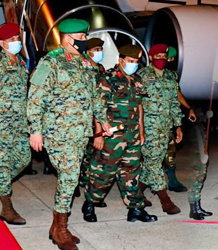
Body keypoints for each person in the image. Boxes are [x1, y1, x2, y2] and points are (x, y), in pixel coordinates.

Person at [28, 18, 113, 250]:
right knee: (69, 177)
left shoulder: (86, 63)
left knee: (71, 177)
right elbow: (35, 97)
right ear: (68, 38)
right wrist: (35, 130)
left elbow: (96, 96)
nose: (86, 41)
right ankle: (61, 229)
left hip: (80, 132)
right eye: (83, 37)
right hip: (58, 131)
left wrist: (103, 121)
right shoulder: (51, 62)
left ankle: (56, 226)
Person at [82, 44, 157, 223]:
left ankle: (135, 210)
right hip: (111, 136)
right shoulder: (108, 79)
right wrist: (98, 134)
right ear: (121, 61)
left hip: (132, 135)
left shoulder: (137, 80)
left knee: (131, 173)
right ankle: (91, 203)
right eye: (131, 61)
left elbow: (139, 106)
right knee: (104, 173)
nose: (134, 65)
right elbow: (97, 107)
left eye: (137, 62)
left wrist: (141, 131)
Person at [0, 23, 31, 225]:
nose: (17, 43)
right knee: (2, 164)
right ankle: (7, 207)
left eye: (17, 39)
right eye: (12, 41)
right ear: (2, 43)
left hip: (19, 124)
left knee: (24, 158)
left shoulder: (20, 62)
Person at [137, 44, 182, 215]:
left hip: (165, 128)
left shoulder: (171, 76)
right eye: (158, 56)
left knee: (152, 162)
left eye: (164, 56)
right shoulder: (142, 75)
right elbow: (137, 104)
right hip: (148, 128)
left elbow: (174, 104)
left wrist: (178, 126)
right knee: (155, 163)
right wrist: (139, 129)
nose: (161, 59)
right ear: (151, 57)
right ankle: (165, 200)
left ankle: (136, 193)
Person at [77, 37, 107, 199]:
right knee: (81, 154)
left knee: (93, 156)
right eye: (96, 50)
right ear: (87, 52)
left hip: (98, 116)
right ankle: (76, 182)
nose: (99, 53)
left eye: (100, 50)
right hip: (84, 117)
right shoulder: (83, 69)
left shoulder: (101, 69)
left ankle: (88, 186)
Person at [161, 45, 193, 193]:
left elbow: (177, 95)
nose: (171, 61)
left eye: (173, 58)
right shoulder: (146, 74)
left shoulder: (172, 75)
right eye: (169, 58)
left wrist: (189, 108)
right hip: (150, 122)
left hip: (167, 121)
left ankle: (172, 181)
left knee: (170, 151)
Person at [187, 119, 213, 220]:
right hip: (195, 157)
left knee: (200, 179)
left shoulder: (199, 126)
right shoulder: (191, 127)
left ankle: (197, 208)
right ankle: (193, 210)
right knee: (194, 181)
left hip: (201, 156)